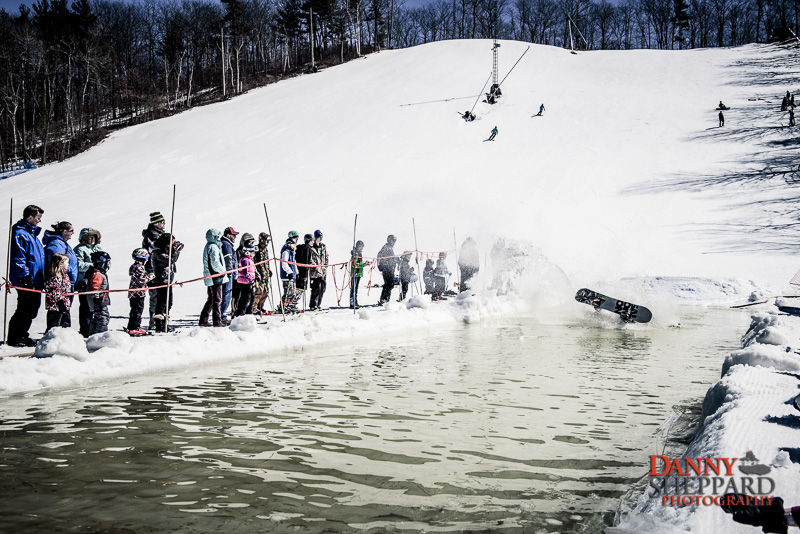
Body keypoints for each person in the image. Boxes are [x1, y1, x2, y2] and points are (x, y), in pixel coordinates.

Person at [7, 204, 45, 347]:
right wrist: (24, 276)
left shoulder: (32, 234)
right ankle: (15, 337)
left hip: (35, 278)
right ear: (29, 217)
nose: (39, 221)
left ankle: (23, 334)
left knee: (32, 308)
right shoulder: (20, 233)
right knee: (24, 307)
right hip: (26, 278)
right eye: (38, 217)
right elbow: (19, 257)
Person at [42, 222, 77, 327]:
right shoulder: (56, 244)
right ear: (64, 231)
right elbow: (58, 261)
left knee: (65, 311)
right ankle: (54, 334)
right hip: (60, 280)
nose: (73, 233)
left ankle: (64, 334)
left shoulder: (63, 243)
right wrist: (69, 269)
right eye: (71, 231)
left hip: (66, 281)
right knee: (57, 312)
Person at [150, 233, 182, 332]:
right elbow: (171, 259)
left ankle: (164, 323)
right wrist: (176, 250)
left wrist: (174, 248)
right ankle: (159, 325)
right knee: (162, 303)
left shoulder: (164, 250)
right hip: (161, 281)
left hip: (168, 280)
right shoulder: (157, 252)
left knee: (169, 303)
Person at [73, 227, 102, 337]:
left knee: (96, 305)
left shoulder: (97, 248)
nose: (91, 239)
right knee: (85, 307)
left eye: (93, 237)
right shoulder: (79, 249)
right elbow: (78, 265)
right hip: (84, 281)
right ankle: (85, 329)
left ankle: (94, 328)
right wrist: (92, 266)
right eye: (89, 237)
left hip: (97, 281)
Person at [199, 229, 228, 327]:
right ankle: (217, 321)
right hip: (215, 276)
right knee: (217, 299)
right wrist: (222, 271)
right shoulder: (213, 247)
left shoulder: (210, 245)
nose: (219, 238)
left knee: (211, 299)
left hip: (211, 276)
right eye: (218, 236)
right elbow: (215, 263)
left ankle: (203, 319)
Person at [142, 212, 165, 330]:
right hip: (152, 269)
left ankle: (161, 322)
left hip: (160, 268)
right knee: (155, 297)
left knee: (162, 297)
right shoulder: (152, 235)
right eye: (162, 222)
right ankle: (154, 322)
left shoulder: (159, 233)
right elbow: (159, 247)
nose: (164, 225)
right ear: (156, 223)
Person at [44, 253, 72, 331]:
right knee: (54, 325)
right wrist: (60, 302)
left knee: (63, 324)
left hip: (63, 304)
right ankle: (50, 339)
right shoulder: (55, 276)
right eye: (67, 262)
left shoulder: (64, 274)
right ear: (60, 264)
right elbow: (54, 291)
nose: (68, 264)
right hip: (55, 306)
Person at [128, 248, 153, 335]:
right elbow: (142, 280)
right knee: (137, 310)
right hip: (138, 293)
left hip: (135, 293)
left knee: (135, 310)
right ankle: (135, 327)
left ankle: (132, 326)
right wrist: (150, 276)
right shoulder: (138, 267)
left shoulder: (135, 266)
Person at [87, 251, 112, 335]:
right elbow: (94, 288)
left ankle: (92, 335)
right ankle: (100, 335)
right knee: (103, 318)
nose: (108, 265)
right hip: (99, 302)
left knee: (97, 318)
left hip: (100, 301)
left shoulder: (99, 273)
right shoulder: (97, 274)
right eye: (107, 262)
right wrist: (96, 301)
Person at [232, 233, 255, 315]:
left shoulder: (249, 257)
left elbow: (252, 268)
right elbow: (244, 270)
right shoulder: (242, 255)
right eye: (249, 242)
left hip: (248, 280)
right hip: (242, 280)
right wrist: (250, 279)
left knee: (250, 298)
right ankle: (238, 313)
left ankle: (248, 314)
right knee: (242, 297)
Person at [220, 227, 238, 323]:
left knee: (226, 294)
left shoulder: (227, 244)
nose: (235, 237)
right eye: (233, 235)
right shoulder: (226, 245)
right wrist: (231, 272)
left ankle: (221, 315)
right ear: (228, 235)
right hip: (228, 274)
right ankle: (222, 316)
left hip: (228, 274)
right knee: (226, 294)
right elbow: (228, 260)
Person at [280, 231, 300, 313]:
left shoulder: (292, 252)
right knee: (288, 291)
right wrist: (290, 272)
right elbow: (284, 264)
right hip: (287, 276)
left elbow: (293, 263)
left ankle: (290, 305)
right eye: (293, 245)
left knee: (293, 292)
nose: (294, 247)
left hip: (292, 275)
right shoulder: (286, 252)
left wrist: (296, 272)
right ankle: (283, 305)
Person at [309, 230, 329, 311]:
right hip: (315, 272)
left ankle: (318, 304)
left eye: (321, 237)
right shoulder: (312, 247)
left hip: (323, 271)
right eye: (319, 238)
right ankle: (313, 304)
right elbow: (310, 259)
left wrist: (325, 266)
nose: (320, 239)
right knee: (316, 288)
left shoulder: (323, 246)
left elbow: (326, 256)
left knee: (323, 288)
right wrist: (316, 267)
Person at [252, 233, 272, 315]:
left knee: (266, 292)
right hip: (260, 275)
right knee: (259, 292)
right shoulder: (257, 249)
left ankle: (260, 306)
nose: (267, 243)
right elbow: (255, 263)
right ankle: (254, 308)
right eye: (266, 241)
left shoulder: (265, 250)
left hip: (265, 274)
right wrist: (259, 273)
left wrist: (268, 271)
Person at [377, 235, 398, 305]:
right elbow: (379, 256)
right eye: (393, 240)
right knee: (389, 284)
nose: (394, 242)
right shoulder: (386, 248)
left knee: (389, 284)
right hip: (387, 269)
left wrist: (396, 260)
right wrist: (382, 267)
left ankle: (384, 299)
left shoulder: (389, 248)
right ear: (389, 240)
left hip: (390, 269)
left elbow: (392, 258)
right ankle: (384, 299)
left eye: (395, 241)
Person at [350, 240, 368, 309]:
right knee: (353, 289)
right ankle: (352, 303)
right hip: (355, 273)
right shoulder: (355, 254)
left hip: (358, 273)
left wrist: (364, 263)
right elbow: (355, 264)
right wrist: (363, 264)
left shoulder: (359, 253)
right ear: (357, 246)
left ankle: (355, 302)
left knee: (356, 289)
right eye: (360, 246)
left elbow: (358, 263)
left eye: (362, 247)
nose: (361, 248)